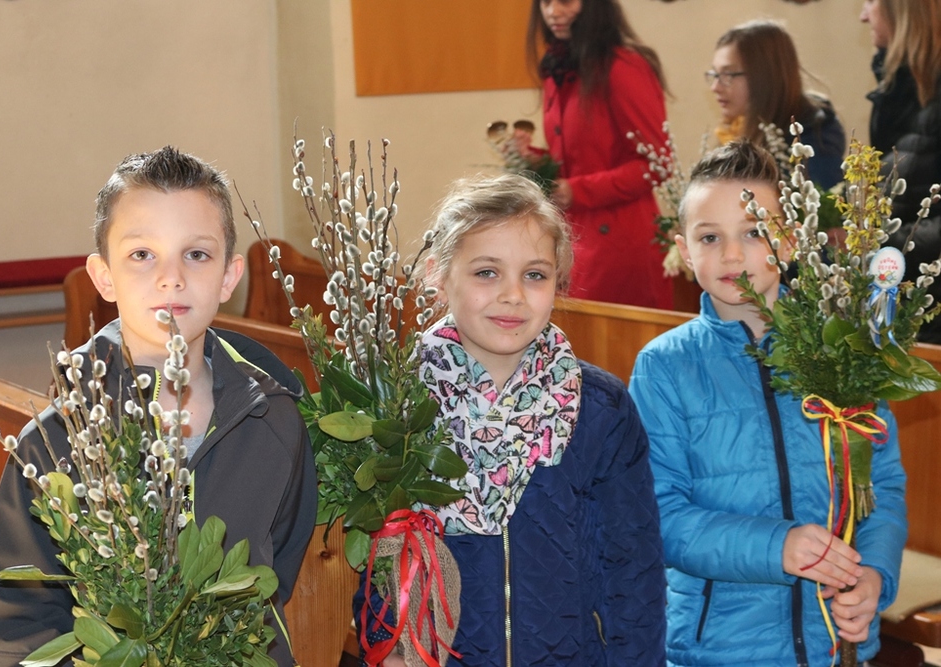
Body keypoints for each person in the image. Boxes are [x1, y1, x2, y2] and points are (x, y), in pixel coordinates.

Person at [0, 146, 318, 667]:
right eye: (142, 255)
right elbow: (15, 624)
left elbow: (276, 573)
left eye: (196, 254)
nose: (171, 277)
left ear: (229, 276)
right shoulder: (56, 443)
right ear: (103, 276)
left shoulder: (274, 419)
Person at [354, 173, 667, 666]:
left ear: (558, 282)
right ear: (438, 274)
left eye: (535, 275)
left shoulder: (600, 407)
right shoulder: (396, 405)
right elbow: (371, 561)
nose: (513, 294)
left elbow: (635, 571)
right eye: (487, 272)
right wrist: (386, 646)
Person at [628, 141, 907, 666]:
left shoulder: (842, 348)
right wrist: (775, 547)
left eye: (755, 232)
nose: (733, 255)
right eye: (710, 237)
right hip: (718, 649)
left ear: (791, 239)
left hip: (835, 642)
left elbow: (881, 486)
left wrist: (874, 575)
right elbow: (658, 514)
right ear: (684, 251)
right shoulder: (664, 367)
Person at [528, 0, 673, 309]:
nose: (553, 12)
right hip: (574, 237)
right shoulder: (558, 67)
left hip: (621, 245)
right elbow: (578, 157)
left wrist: (578, 190)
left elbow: (658, 163)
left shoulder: (624, 66)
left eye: (565, 1)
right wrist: (531, 159)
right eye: (546, 2)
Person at [861, 0, 941, 344]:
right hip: (904, 298)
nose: (864, 15)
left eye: (870, 1)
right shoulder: (899, 88)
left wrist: (878, 243)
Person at [709, 19, 846, 190]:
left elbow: (821, 202)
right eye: (715, 74)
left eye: (728, 74)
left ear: (764, 77)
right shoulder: (735, 128)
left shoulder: (812, 141)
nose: (715, 87)